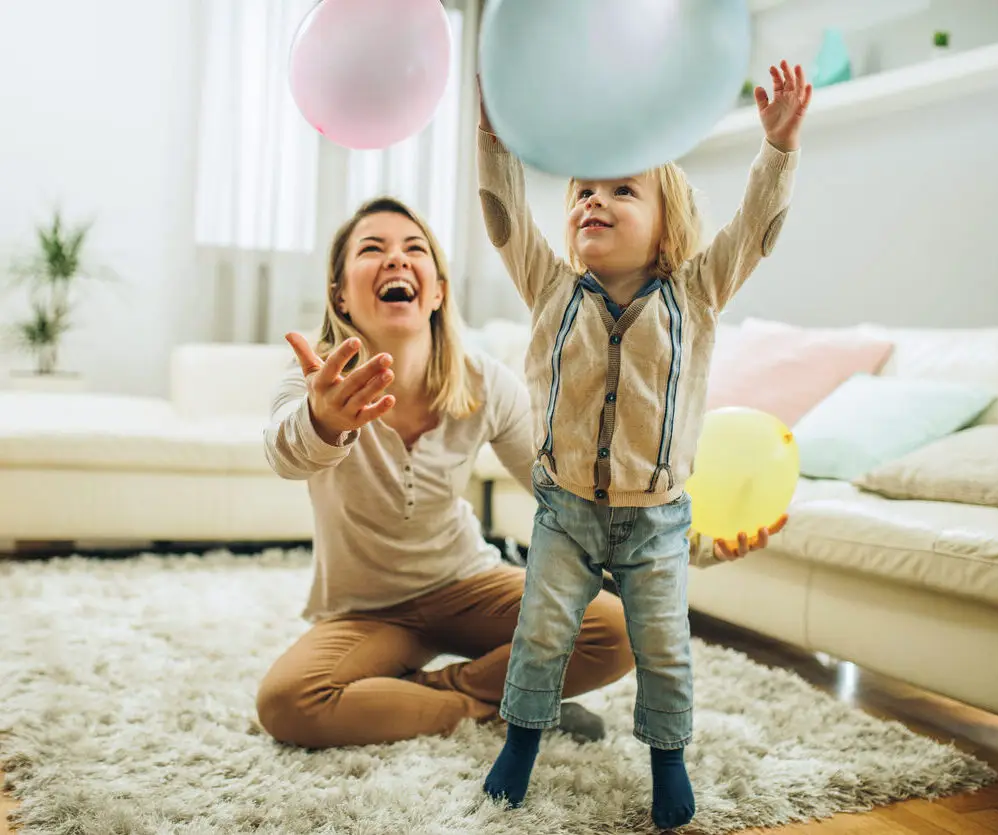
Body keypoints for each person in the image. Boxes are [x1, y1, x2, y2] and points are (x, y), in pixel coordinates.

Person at [477, 61, 811, 830]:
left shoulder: (695, 294)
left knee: (665, 648)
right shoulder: (549, 286)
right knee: (541, 632)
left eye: (622, 189)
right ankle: (520, 743)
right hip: (564, 510)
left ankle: (667, 759)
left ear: (668, 223)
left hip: (657, 518)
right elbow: (501, 214)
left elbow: (755, 228)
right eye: (583, 192)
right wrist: (491, 134)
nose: (594, 198)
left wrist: (779, 149)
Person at [256, 196, 638, 749]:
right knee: (288, 704)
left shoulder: (485, 381)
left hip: (468, 584)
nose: (395, 260)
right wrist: (323, 421)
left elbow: (557, 484)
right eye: (372, 249)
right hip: (366, 611)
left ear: (436, 290)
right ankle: (495, 707)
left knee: (616, 630)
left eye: (414, 249)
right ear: (340, 292)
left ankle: (436, 690)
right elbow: (286, 456)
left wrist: (666, 533)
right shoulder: (313, 380)